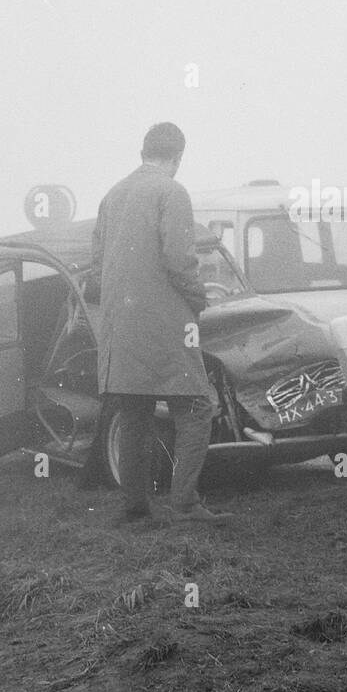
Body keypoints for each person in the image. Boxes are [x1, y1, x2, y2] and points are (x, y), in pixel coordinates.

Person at [91, 122, 230, 524]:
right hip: (165, 323)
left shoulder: (111, 195)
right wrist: (197, 297)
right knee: (196, 407)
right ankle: (184, 503)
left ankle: (136, 507)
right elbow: (179, 259)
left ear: (143, 152)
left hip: (120, 325)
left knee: (135, 412)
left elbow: (97, 264)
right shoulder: (172, 191)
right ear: (178, 156)